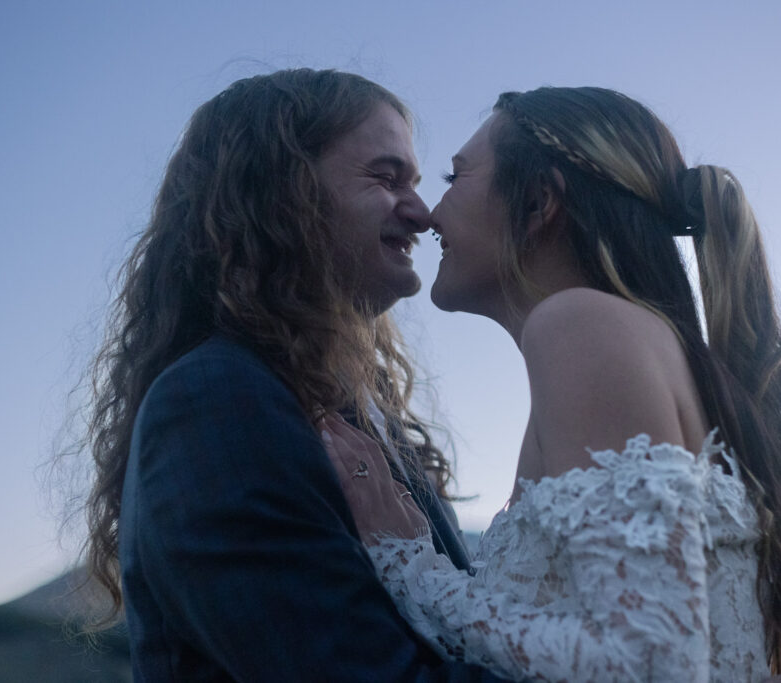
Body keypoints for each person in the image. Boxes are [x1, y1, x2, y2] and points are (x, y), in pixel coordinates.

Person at [323, 87, 781, 682]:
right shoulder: (641, 346)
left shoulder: (579, 324)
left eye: (455, 177)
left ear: (539, 202)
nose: (431, 212)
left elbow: (647, 663)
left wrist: (411, 568)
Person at [81, 68, 511, 681]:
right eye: (387, 179)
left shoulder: (352, 408)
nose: (421, 212)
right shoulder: (215, 401)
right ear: (280, 192)